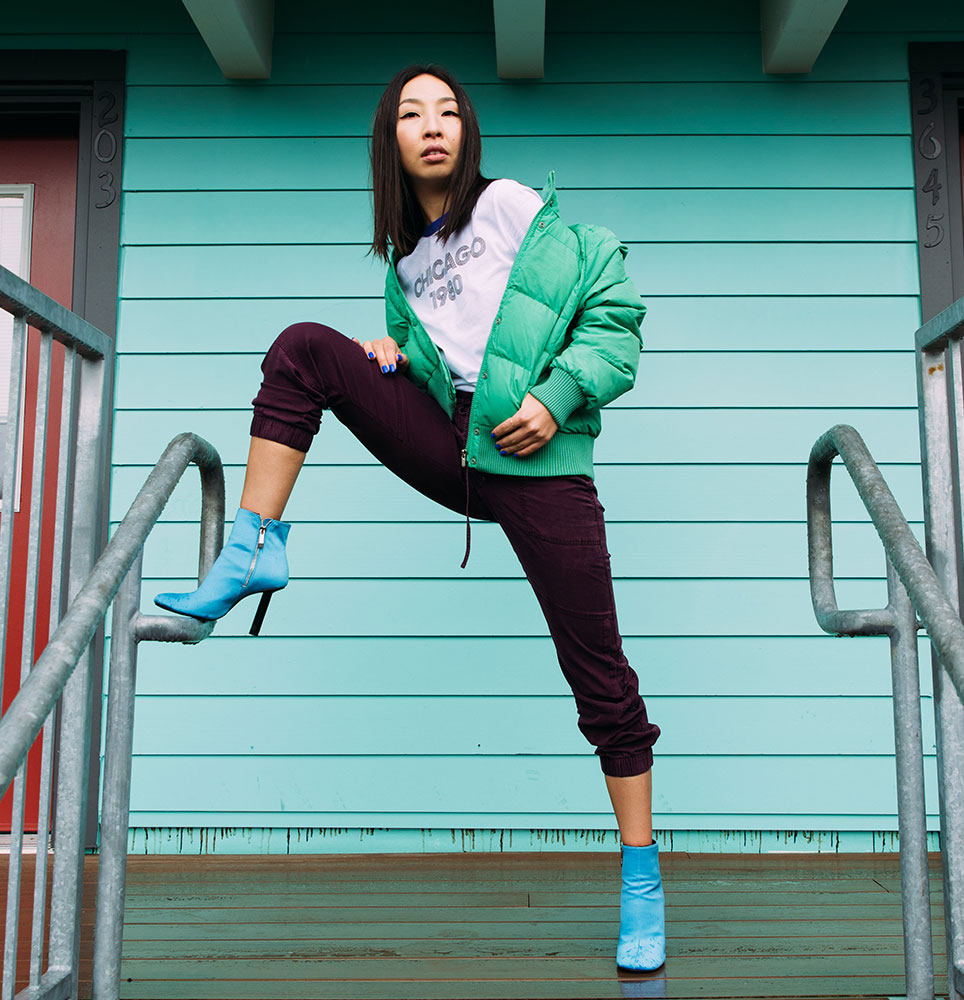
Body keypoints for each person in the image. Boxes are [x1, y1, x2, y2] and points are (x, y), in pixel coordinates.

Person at [154, 64, 665, 973]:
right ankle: (251, 549)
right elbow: (440, 366)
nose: (432, 126)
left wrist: (557, 397)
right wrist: (396, 354)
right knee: (304, 352)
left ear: (467, 131)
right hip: (454, 449)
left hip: (537, 456)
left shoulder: (510, 207)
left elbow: (614, 312)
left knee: (600, 677)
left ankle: (641, 877)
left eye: (448, 111)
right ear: (388, 139)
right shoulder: (402, 264)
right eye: (411, 114)